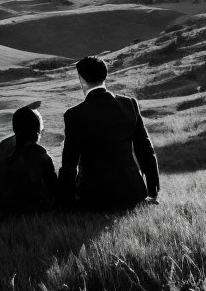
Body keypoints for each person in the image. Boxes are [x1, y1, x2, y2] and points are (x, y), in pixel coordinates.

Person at [59, 56, 160, 211]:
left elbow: (69, 163)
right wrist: (152, 192)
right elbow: (145, 150)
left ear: (82, 79)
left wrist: (66, 202)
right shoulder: (129, 104)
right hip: (132, 193)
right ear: (105, 75)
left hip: (93, 197)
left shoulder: (74, 115)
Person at [0, 103, 58, 222]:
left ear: (15, 129)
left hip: (4, 209)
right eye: (40, 131)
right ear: (37, 132)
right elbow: (54, 188)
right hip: (30, 213)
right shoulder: (40, 154)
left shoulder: (3, 146)